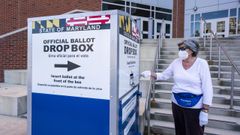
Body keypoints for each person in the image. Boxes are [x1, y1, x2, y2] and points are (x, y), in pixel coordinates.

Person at [141, 39, 213, 135]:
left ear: (191, 50)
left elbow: (207, 87)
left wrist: (205, 110)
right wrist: (150, 74)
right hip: (177, 103)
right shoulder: (176, 62)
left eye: (183, 48)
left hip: (195, 106)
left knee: (195, 132)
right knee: (180, 131)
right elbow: (164, 75)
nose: (180, 51)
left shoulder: (201, 64)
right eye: (179, 48)